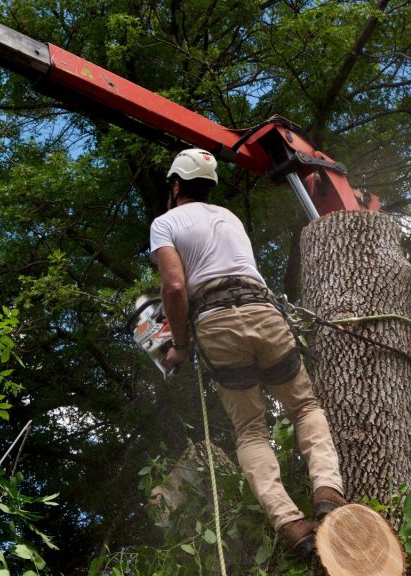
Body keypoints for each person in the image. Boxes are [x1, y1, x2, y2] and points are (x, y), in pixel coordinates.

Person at [149, 148, 347, 556]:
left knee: (251, 431)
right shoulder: (230, 217)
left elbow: (173, 288)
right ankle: (328, 493)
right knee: (305, 407)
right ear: (209, 185)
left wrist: (180, 347)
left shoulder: (165, 222)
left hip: (215, 324)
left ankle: (292, 526)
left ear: (175, 184)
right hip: (263, 311)